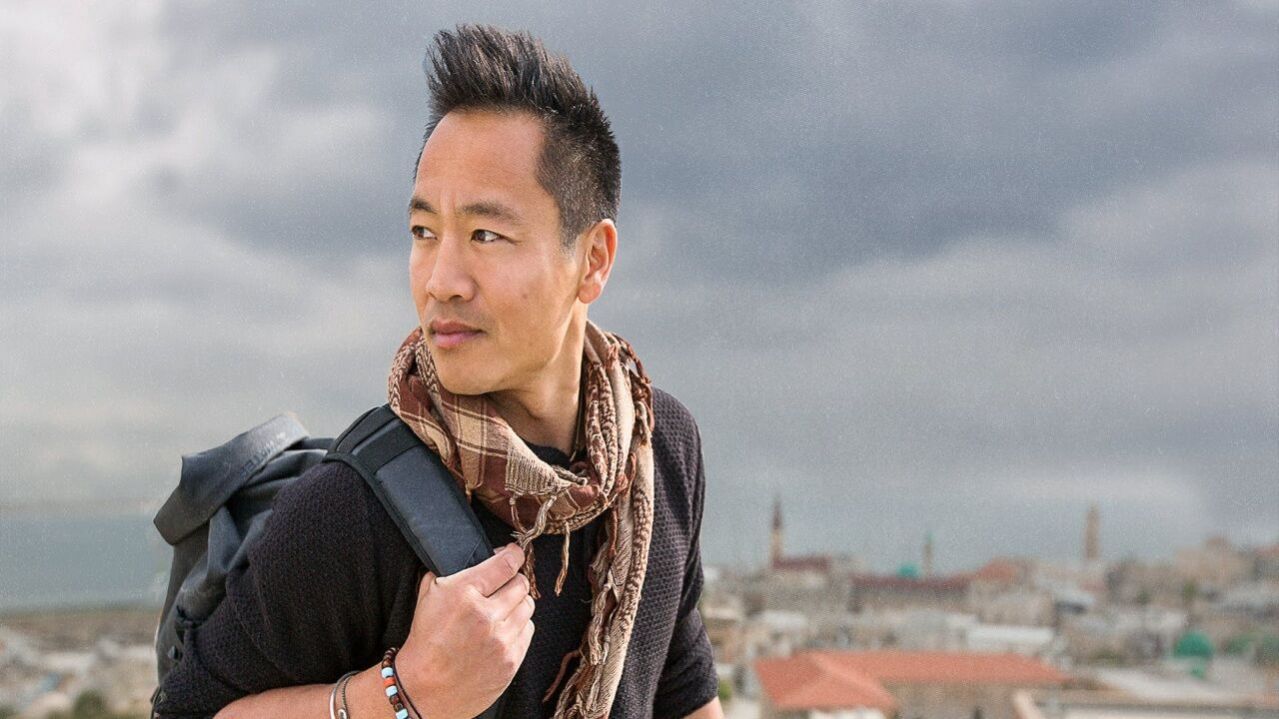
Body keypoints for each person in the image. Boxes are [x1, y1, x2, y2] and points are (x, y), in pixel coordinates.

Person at [151, 22, 724, 719]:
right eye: (424, 232)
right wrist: (403, 693)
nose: (440, 280)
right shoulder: (353, 509)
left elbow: (681, 688)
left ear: (593, 260)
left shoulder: (659, 450)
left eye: (486, 234)